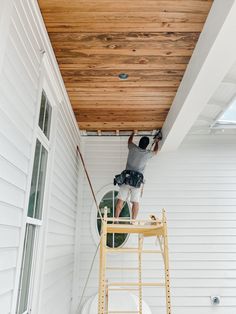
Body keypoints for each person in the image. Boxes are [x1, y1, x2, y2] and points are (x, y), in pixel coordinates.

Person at [115, 131, 160, 221]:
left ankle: (116, 219)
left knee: (121, 200)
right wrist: (157, 142)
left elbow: (129, 142)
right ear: (147, 145)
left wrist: (132, 134)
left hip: (126, 179)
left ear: (139, 142)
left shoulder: (133, 148)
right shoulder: (147, 153)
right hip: (137, 182)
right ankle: (133, 221)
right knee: (135, 202)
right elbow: (156, 151)